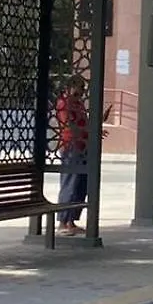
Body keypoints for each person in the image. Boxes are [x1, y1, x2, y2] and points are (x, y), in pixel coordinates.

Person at [54, 76, 107, 236]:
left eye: (83, 88)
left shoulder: (79, 104)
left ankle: (72, 220)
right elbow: (70, 126)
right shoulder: (64, 104)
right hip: (71, 147)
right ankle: (63, 221)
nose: (82, 92)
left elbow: (84, 124)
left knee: (80, 185)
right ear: (70, 88)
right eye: (79, 88)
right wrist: (89, 131)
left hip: (83, 147)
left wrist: (96, 127)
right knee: (70, 183)